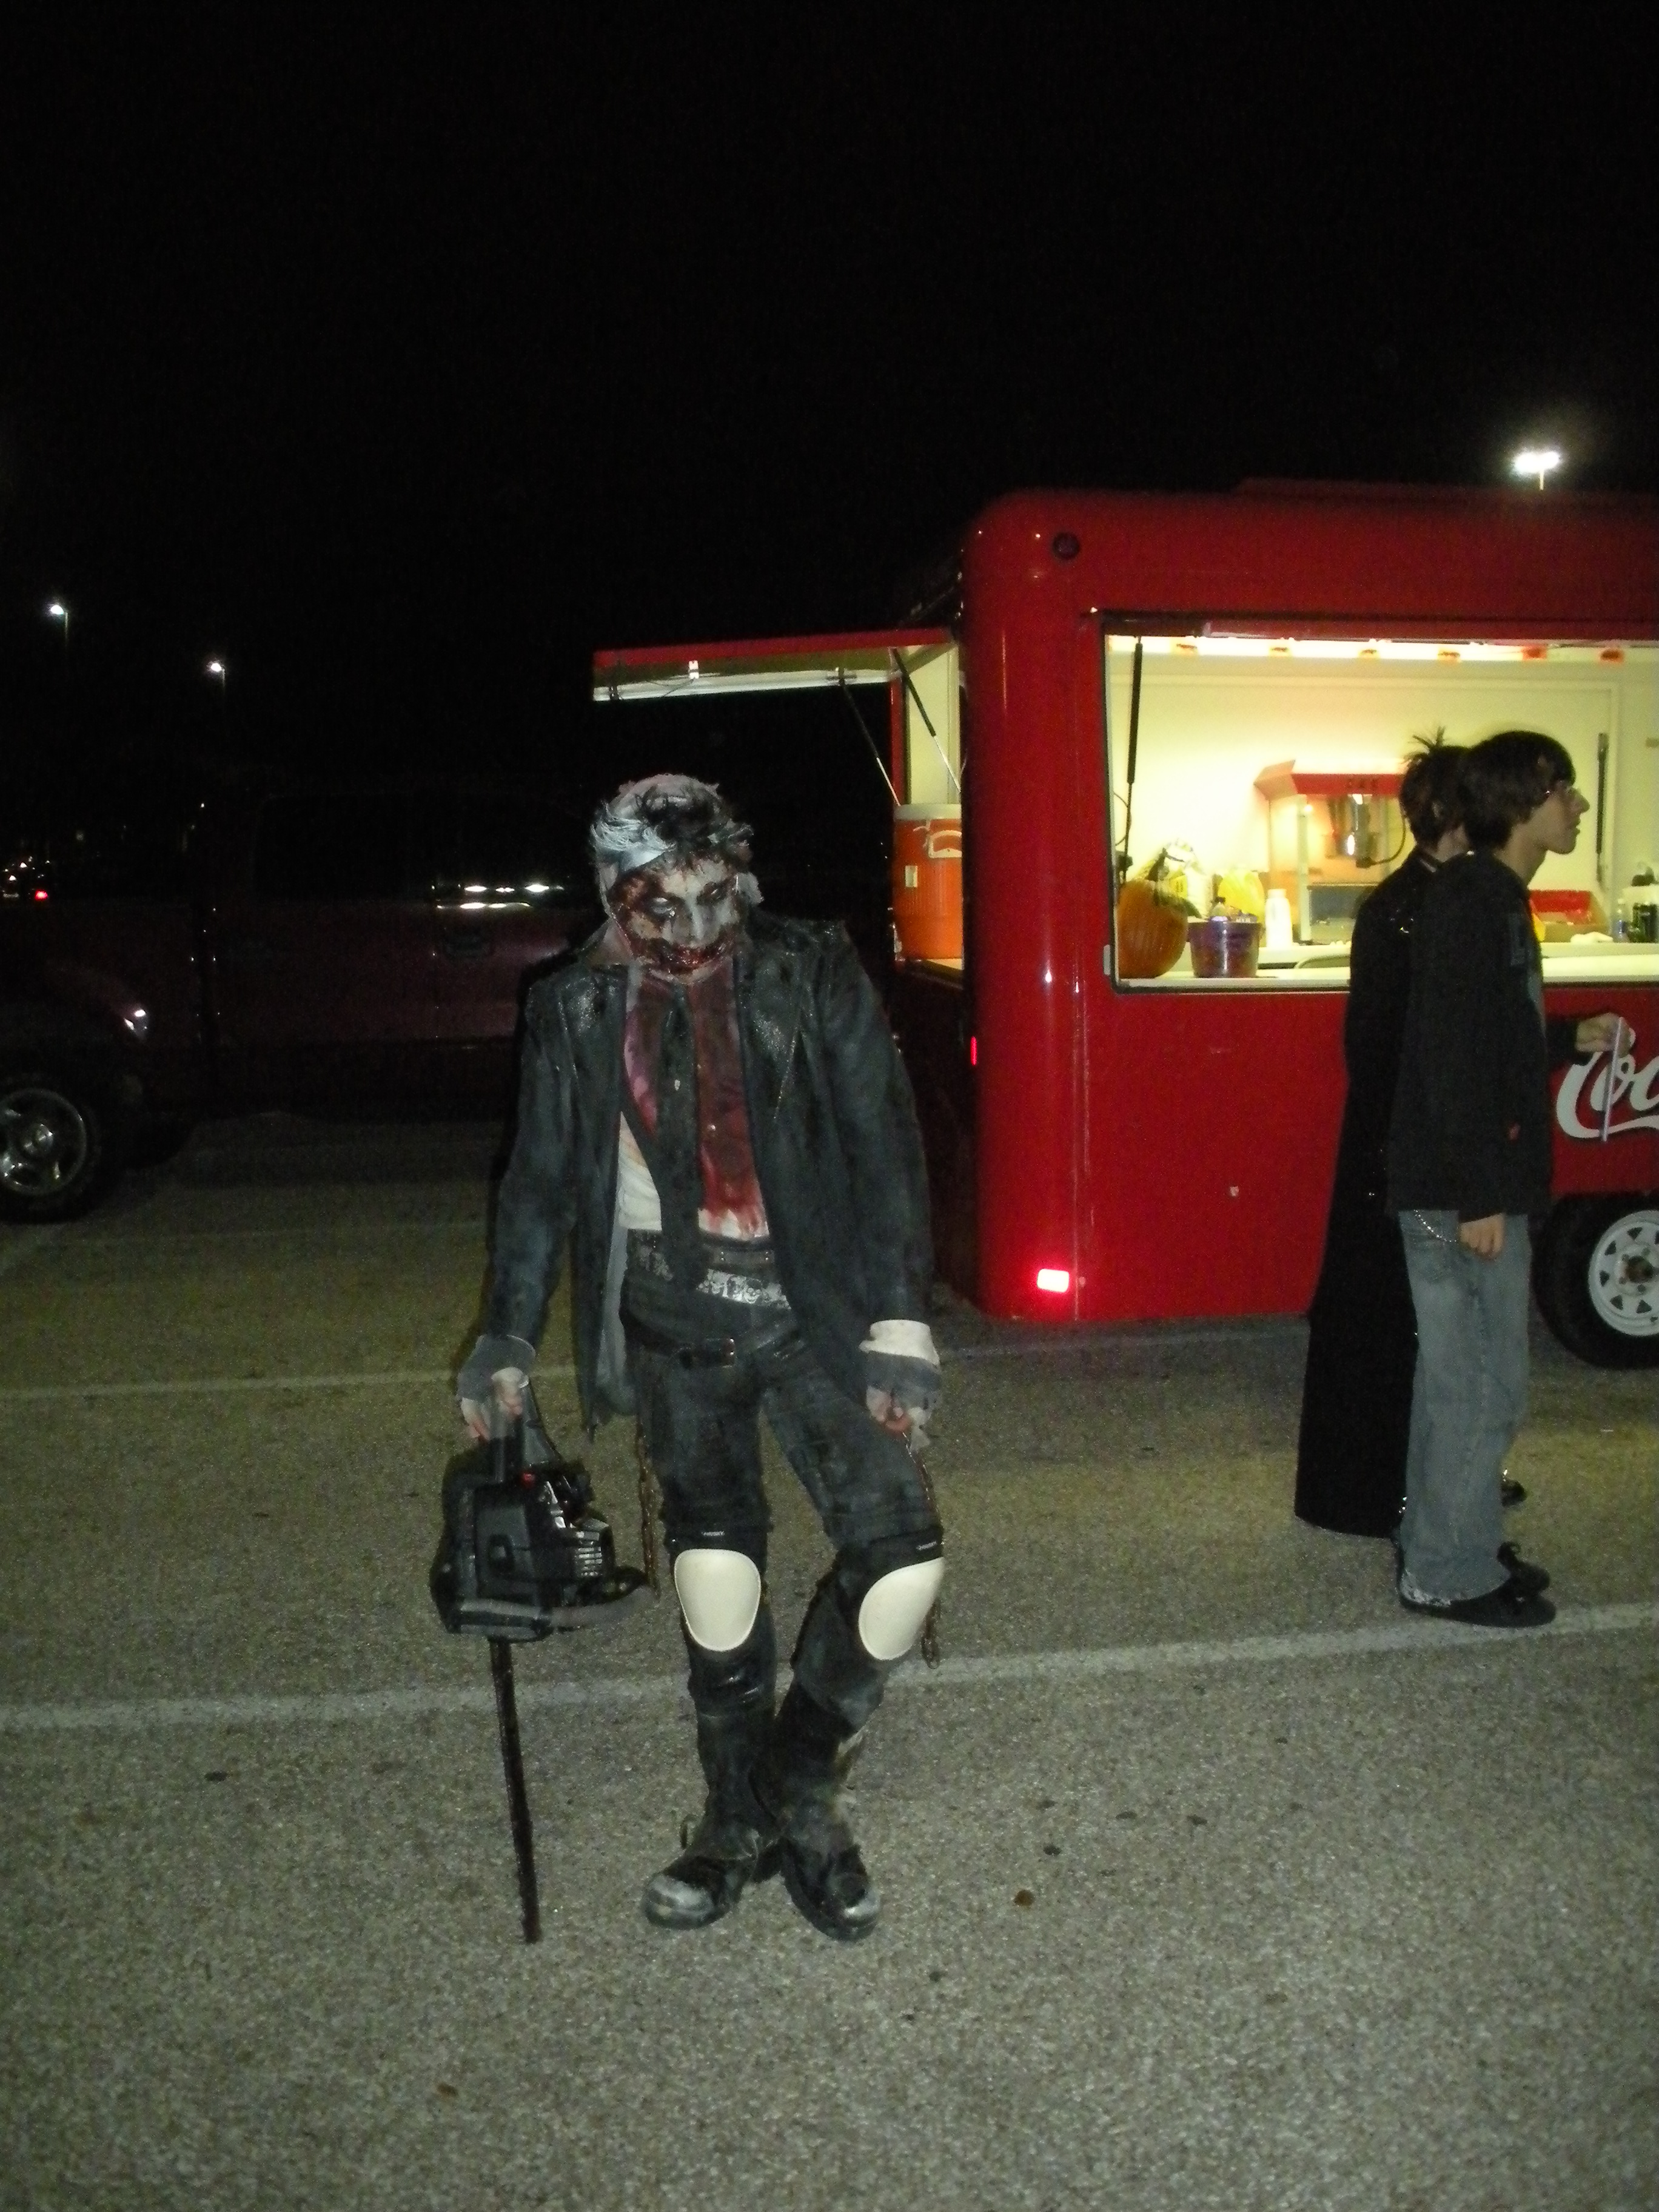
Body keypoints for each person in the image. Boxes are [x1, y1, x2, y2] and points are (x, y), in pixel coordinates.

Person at [456, 774, 944, 1939]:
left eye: (715, 896)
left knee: (901, 1557)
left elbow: (885, 1148)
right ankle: (738, 1819)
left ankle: (794, 1786)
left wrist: (901, 1320)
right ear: (613, 896)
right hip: (673, 1318)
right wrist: (507, 1330)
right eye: (659, 905)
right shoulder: (574, 1005)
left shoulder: (808, 968)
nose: (694, 928)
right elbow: (538, 1181)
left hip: (811, 1309)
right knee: (716, 1570)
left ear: (742, 876)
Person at [1386, 731, 1621, 1627]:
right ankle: (1448, 1572)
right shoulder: (1474, 902)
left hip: (1461, 1181)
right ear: (1524, 802)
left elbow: (1484, 1033)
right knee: (1482, 1384)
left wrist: (1564, 1037)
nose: (1577, 806)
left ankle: (1452, 1543)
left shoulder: (1487, 896)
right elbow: (1451, 1061)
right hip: (1463, 1191)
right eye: (1565, 790)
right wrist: (1480, 1194)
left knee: (1463, 1381)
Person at [1295, 740, 1470, 1537]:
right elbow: (1399, 1043)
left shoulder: (1412, 901)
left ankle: (1384, 1483)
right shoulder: (1417, 908)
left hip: (1388, 1137)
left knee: (1386, 1321)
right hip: (1399, 1142)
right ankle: (1379, 1489)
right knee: (1387, 1322)